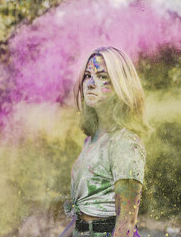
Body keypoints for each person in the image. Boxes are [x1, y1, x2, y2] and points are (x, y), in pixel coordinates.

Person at [60, 47, 150, 237]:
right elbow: (82, 216)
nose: (91, 84)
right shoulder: (90, 141)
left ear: (120, 86)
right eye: (87, 75)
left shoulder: (125, 143)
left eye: (102, 77)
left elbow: (126, 221)